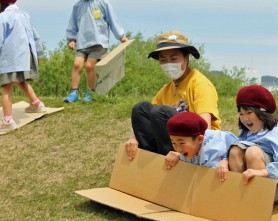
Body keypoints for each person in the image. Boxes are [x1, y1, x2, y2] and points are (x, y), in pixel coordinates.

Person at [125, 30, 221, 161]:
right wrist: (133, 138)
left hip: (197, 147)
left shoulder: (200, 84)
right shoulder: (167, 89)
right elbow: (144, 118)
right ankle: (151, 159)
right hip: (174, 144)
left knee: (159, 112)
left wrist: (183, 152)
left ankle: (178, 159)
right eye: (163, 60)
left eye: (174, 58)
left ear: (186, 58)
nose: (168, 64)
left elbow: (204, 127)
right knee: (140, 108)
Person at [228, 85, 278, 203]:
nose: (245, 118)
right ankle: (241, 195)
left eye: (249, 112)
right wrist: (224, 161)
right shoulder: (245, 131)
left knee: (252, 152)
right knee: (235, 151)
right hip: (258, 180)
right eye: (241, 114)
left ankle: (258, 200)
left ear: (263, 112)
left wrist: (261, 172)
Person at [64, 0, 128, 103]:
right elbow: (73, 24)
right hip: (82, 43)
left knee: (90, 66)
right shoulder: (77, 6)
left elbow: (113, 20)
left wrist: (121, 37)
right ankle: (74, 93)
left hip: (98, 43)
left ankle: (91, 92)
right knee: (77, 65)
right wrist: (72, 39)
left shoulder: (103, 3)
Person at [0, 0, 46, 132]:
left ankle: (7, 120)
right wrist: (38, 54)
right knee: (21, 81)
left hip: (9, 58)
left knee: (6, 88)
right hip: (25, 56)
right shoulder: (25, 15)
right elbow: (35, 36)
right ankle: (36, 104)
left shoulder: (3, 17)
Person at [165, 112, 237, 181]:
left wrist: (226, 160)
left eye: (181, 143)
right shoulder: (191, 147)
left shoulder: (214, 147)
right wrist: (178, 157)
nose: (178, 149)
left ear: (200, 139)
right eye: (173, 143)